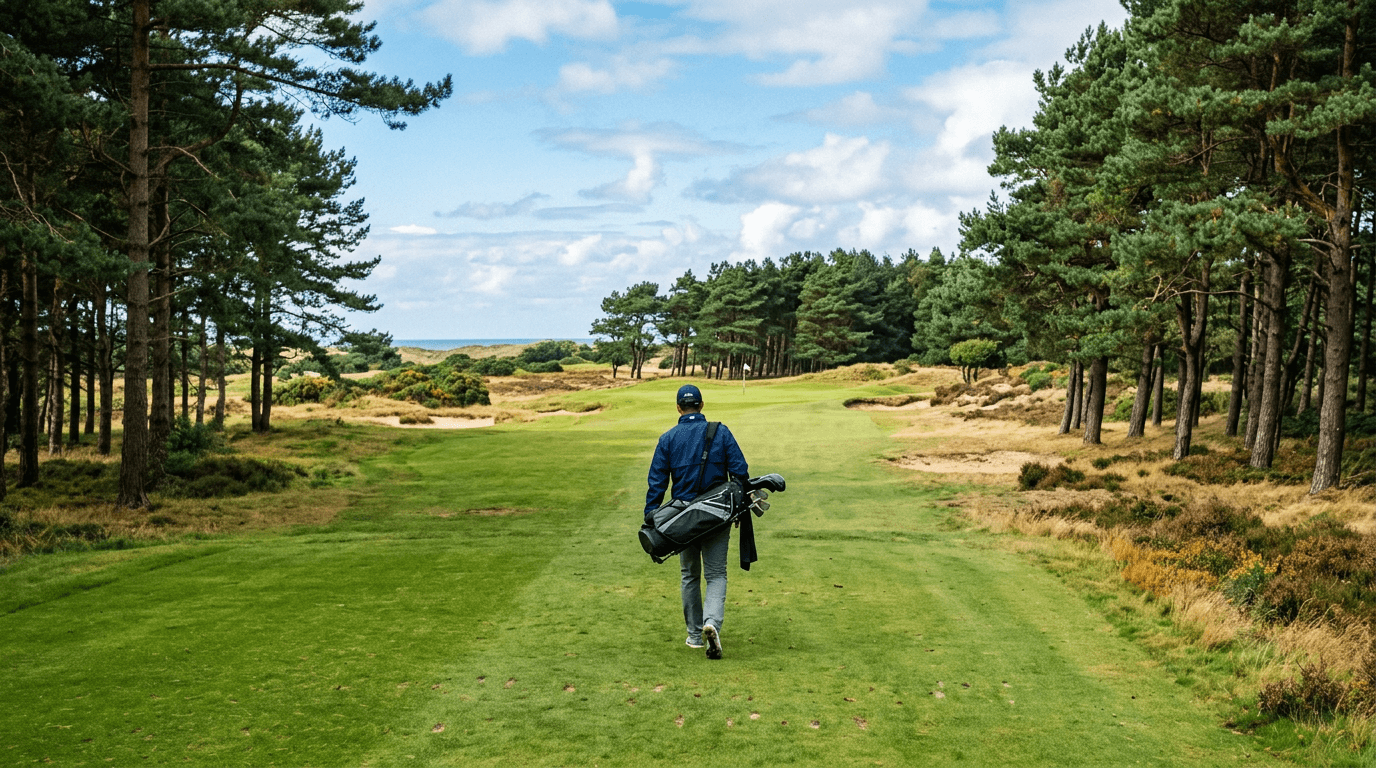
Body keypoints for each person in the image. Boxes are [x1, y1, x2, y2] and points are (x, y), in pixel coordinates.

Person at [644, 384, 748, 660]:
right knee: (716, 574)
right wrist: (738, 510)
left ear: (679, 408)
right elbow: (740, 472)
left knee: (690, 575)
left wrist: (652, 516)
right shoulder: (720, 431)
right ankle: (711, 622)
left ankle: (693, 635)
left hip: (683, 520)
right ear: (701, 405)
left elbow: (657, 483)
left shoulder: (667, 439)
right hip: (717, 515)